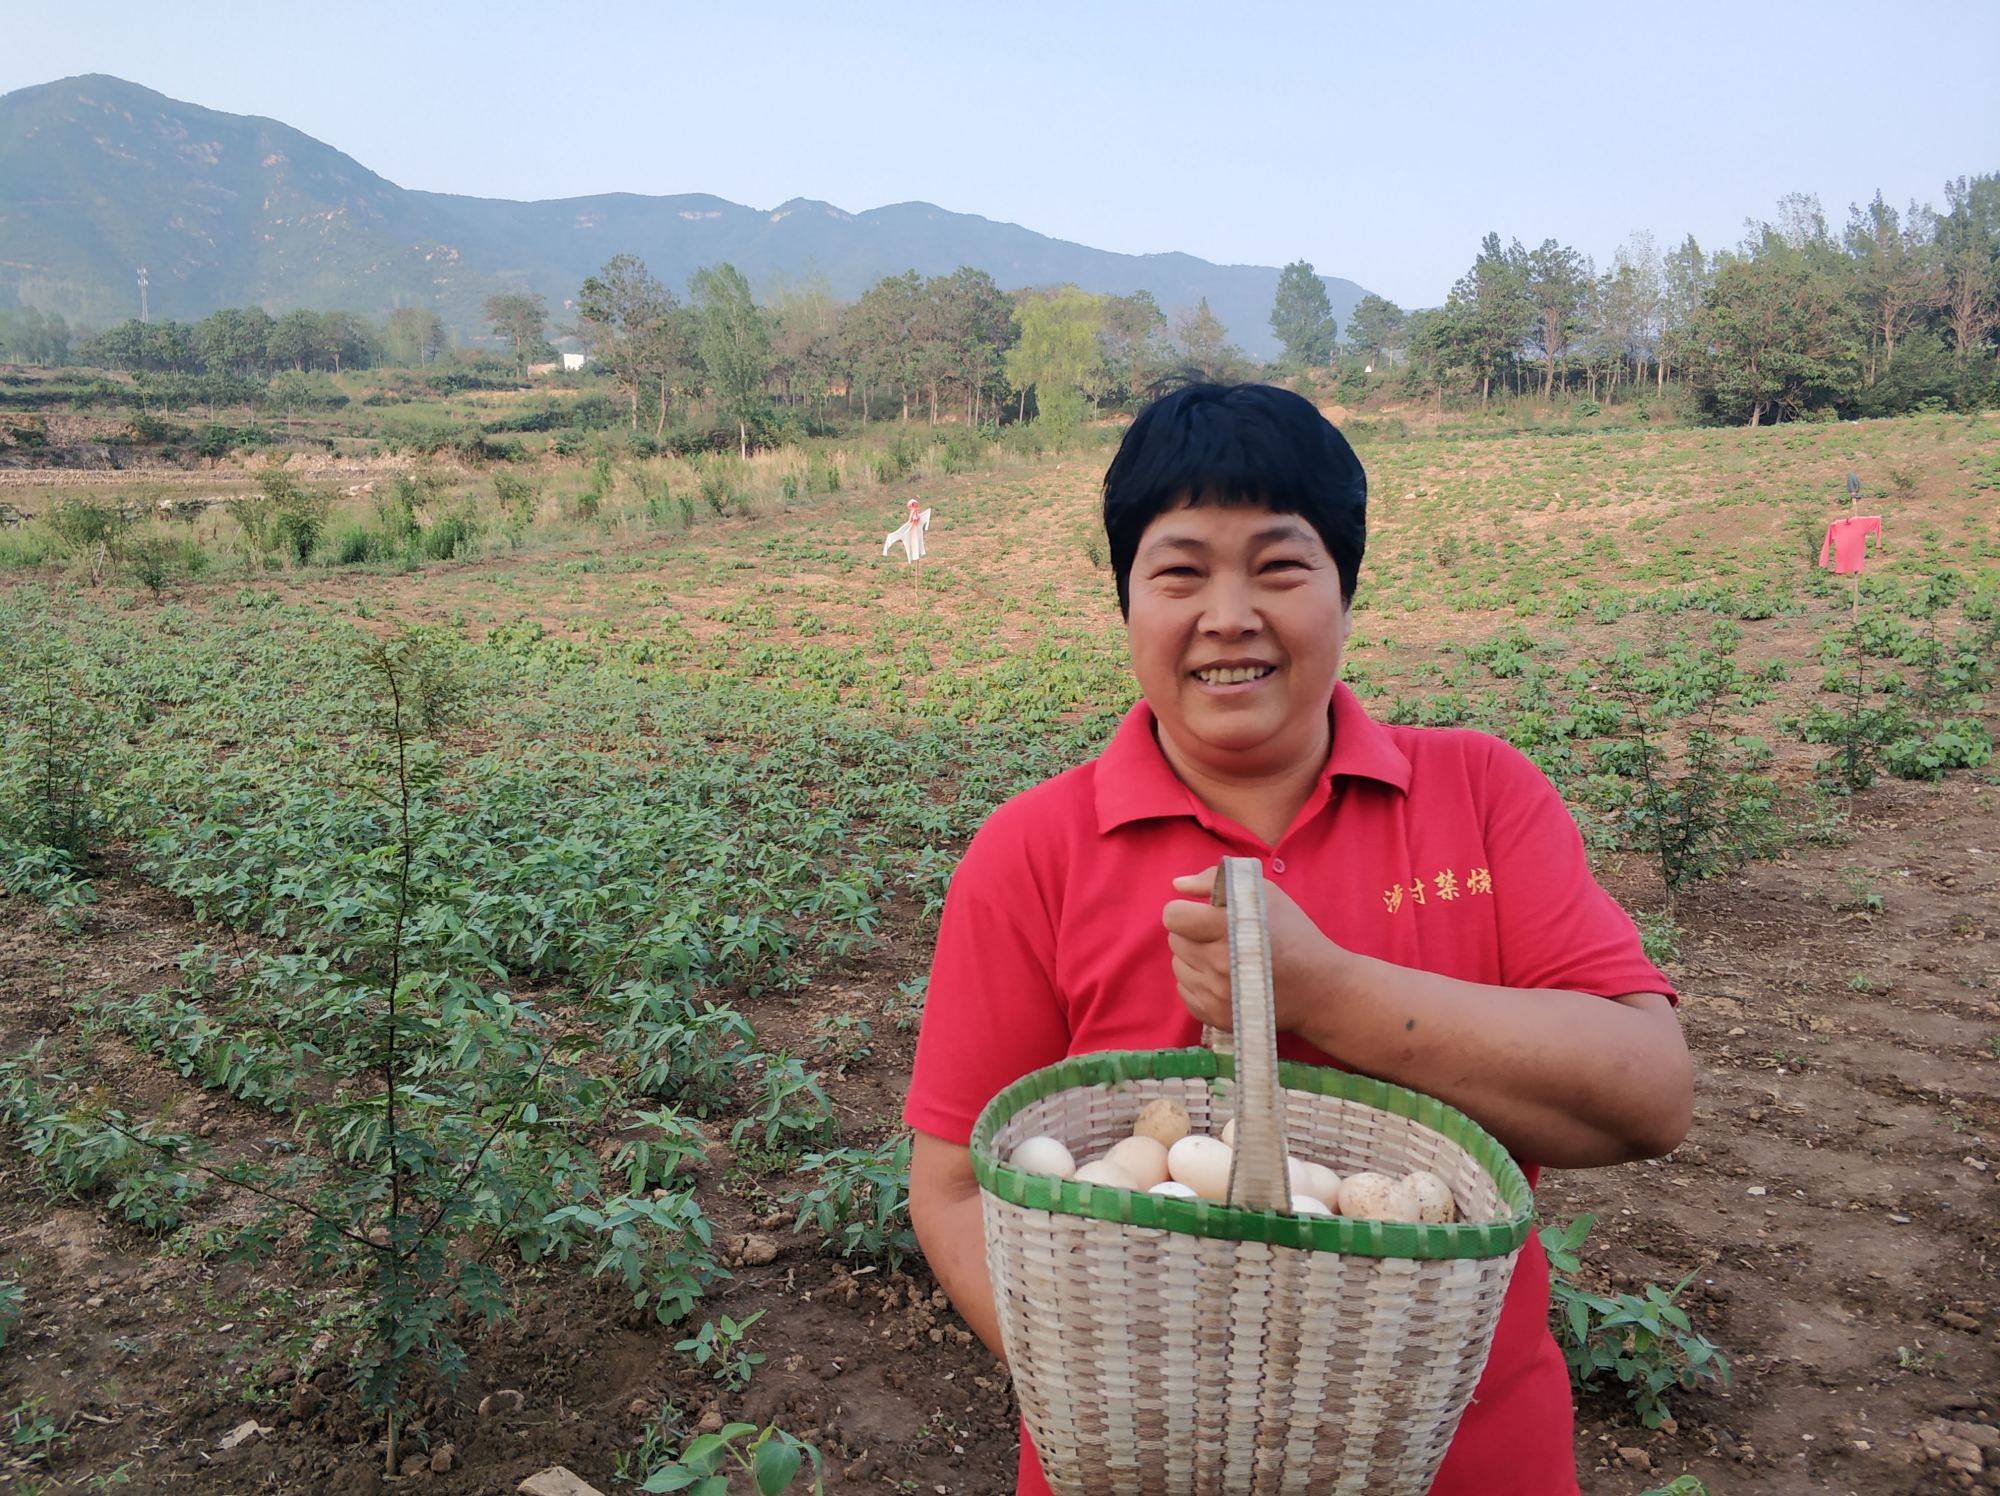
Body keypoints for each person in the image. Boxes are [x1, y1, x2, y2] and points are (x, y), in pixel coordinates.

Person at [902, 382, 1694, 1495]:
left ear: (1343, 588)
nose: (1228, 614)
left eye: (1277, 565)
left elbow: (1647, 1092)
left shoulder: (1478, 795)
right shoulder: (1031, 852)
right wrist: (1128, 1402)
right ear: (1127, 599)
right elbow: (948, 1187)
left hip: (1462, 1455)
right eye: (1178, 571)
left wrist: (1323, 991)